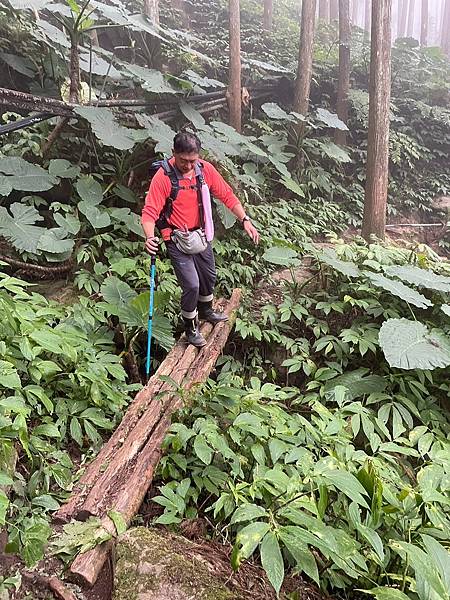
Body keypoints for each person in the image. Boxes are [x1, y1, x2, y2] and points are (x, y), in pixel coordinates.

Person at [142, 131, 260, 347]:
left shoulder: (204, 171)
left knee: (208, 277)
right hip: (175, 236)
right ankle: (190, 327)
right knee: (192, 284)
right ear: (173, 153)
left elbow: (226, 194)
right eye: (183, 160)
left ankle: (206, 311)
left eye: (192, 160)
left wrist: (245, 220)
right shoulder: (164, 177)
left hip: (201, 234)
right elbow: (150, 212)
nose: (188, 166)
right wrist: (150, 237)